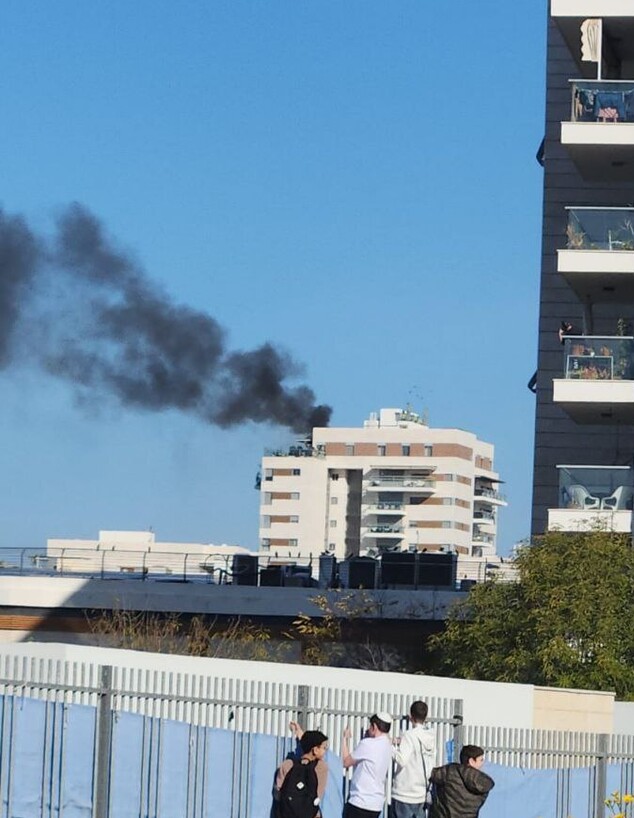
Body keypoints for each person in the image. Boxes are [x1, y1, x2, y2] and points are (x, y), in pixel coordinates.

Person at [390, 701, 437, 818]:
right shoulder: (430, 736)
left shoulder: (409, 735)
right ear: (425, 716)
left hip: (404, 792)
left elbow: (401, 759)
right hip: (421, 792)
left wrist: (389, 747)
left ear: (411, 717)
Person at [342, 712, 393, 818]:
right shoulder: (388, 745)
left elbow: (346, 762)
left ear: (374, 726)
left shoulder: (367, 744)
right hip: (376, 803)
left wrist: (344, 740)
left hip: (360, 800)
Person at [275, 725, 329, 818]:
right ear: (315, 750)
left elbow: (277, 792)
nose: (325, 751)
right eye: (324, 747)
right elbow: (318, 794)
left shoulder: (287, 765)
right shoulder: (321, 768)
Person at [429, 745, 494, 818]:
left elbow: (429, 774)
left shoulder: (450, 771)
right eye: (481, 760)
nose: (483, 763)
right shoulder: (483, 783)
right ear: (471, 761)